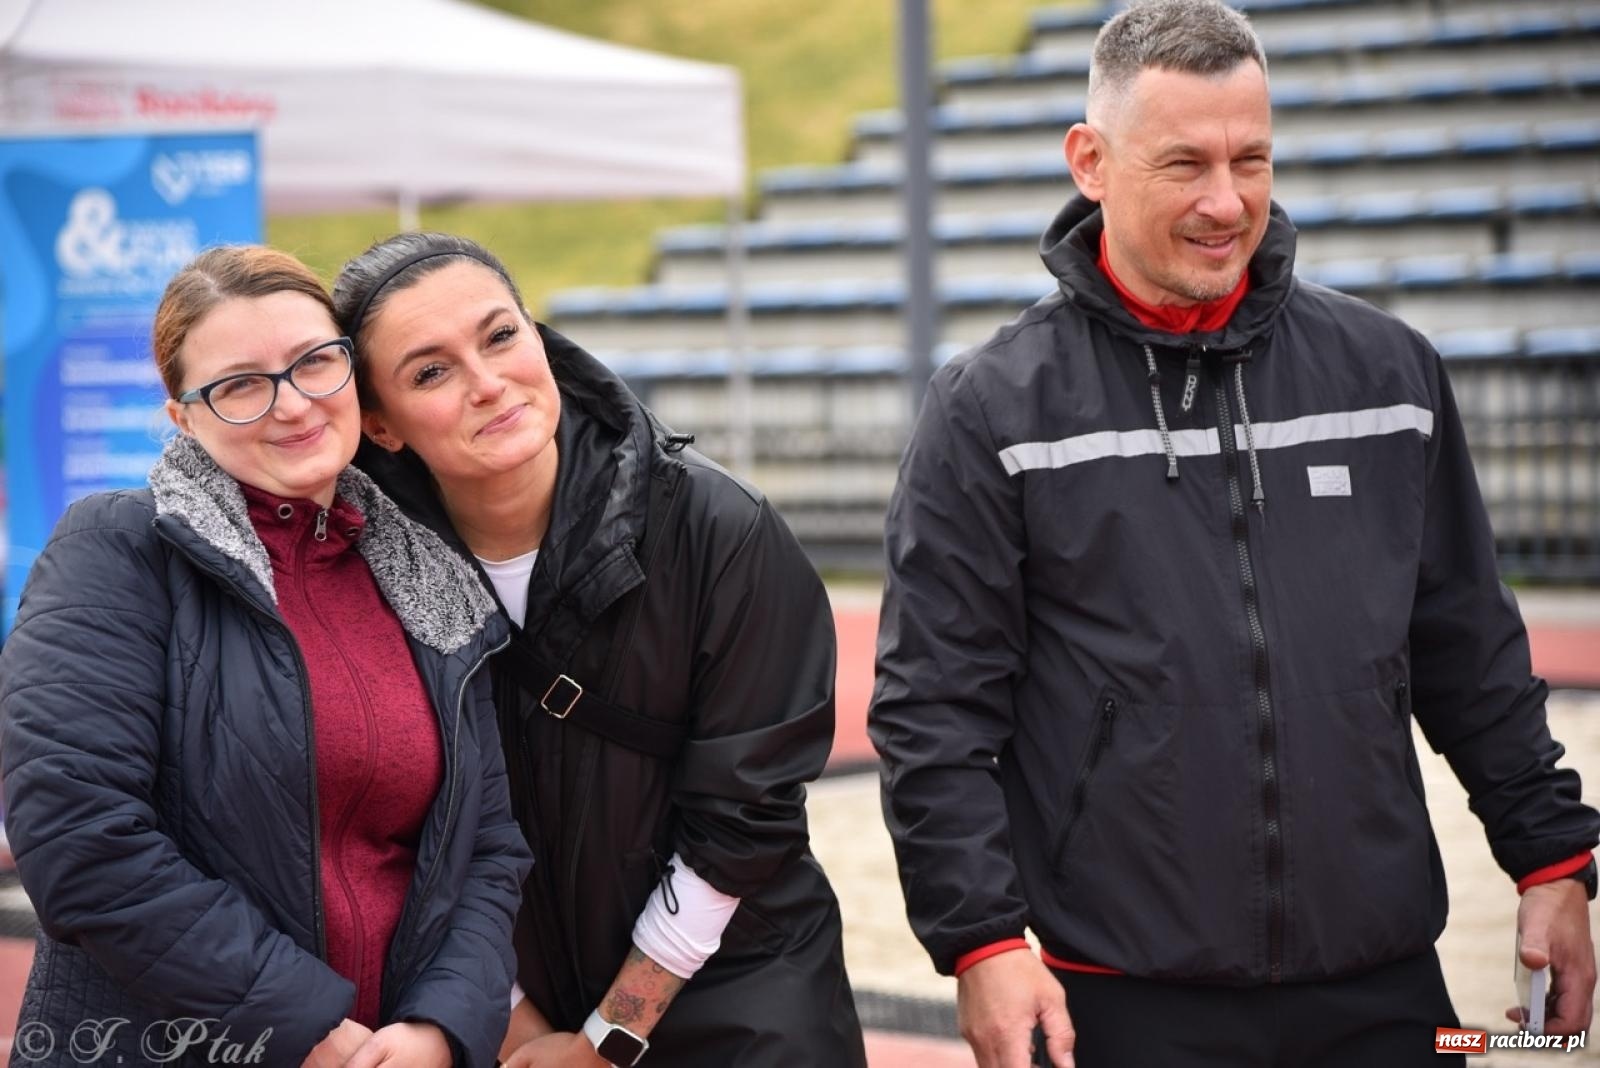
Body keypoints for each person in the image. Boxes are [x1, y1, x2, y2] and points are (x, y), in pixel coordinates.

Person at [868, 2, 1600, 1065]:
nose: (1227, 202)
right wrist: (980, 942)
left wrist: (1550, 862)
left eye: (1250, 159)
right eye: (1185, 165)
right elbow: (933, 710)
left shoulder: (1389, 375)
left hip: (1383, 980)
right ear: (1090, 162)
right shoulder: (993, 411)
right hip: (1120, 994)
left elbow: (1468, 645)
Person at [331, 232, 867, 1068]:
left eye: (500, 335)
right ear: (380, 425)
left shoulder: (719, 530)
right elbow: (389, 830)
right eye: (431, 372)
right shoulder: (360, 572)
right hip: (506, 1016)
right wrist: (513, 1023)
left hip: (743, 1001)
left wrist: (605, 1039)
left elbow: (743, 824)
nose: (487, 382)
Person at [0, 246, 531, 1068]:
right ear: (184, 417)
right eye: (241, 385)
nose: (292, 404)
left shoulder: (426, 574)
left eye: (314, 362)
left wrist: (441, 1028)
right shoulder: (119, 549)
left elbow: (487, 845)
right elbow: (79, 835)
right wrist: (303, 1025)